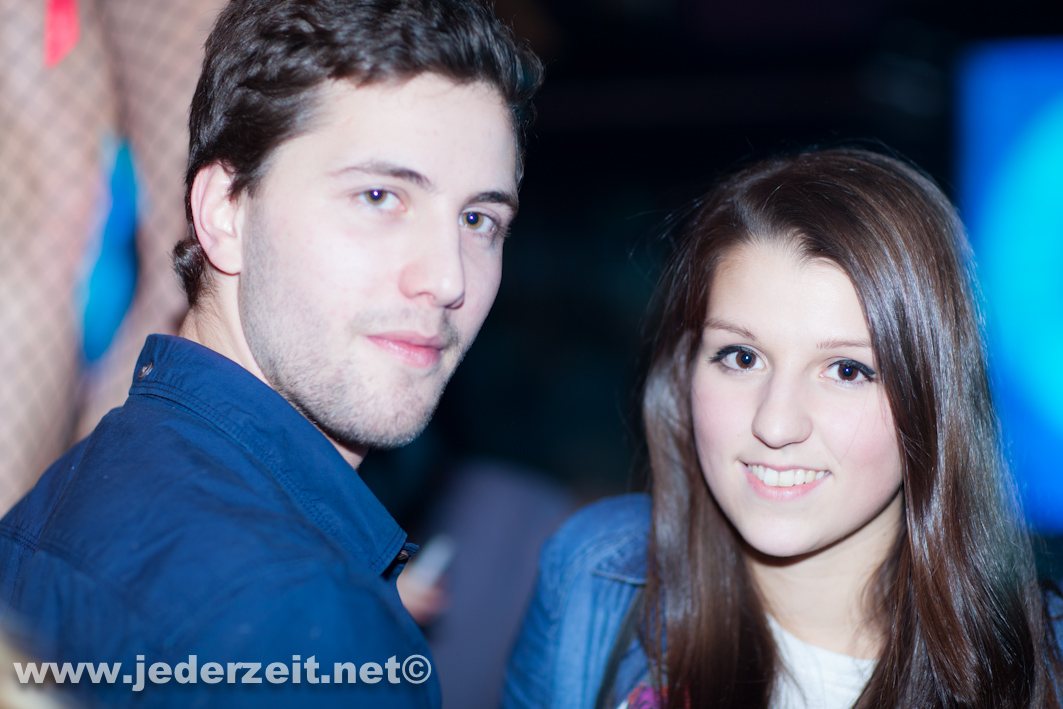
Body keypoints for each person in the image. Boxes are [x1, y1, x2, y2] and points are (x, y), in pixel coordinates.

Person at [0, 0, 541, 706]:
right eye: (379, 196)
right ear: (224, 210)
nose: (448, 279)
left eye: (478, 219)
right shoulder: (303, 620)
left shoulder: (53, 506)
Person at [503, 147, 1063, 708]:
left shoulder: (1048, 666)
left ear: (934, 397)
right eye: (742, 357)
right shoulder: (593, 577)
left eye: (846, 370)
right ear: (684, 367)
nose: (775, 423)